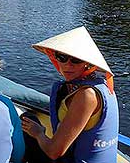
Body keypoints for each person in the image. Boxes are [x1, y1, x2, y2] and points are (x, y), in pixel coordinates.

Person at [21, 26, 119, 162]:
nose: (67, 65)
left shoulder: (87, 95)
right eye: (62, 57)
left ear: (87, 63)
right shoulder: (101, 84)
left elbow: (54, 152)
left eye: (76, 60)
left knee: (26, 126)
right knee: (29, 118)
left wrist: (38, 133)